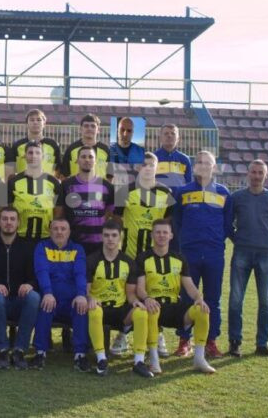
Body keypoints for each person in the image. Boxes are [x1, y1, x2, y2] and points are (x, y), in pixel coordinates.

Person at [110, 152, 172, 357]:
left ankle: (158, 334)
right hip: (130, 253)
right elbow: (116, 220)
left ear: (157, 167)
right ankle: (123, 334)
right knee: (129, 296)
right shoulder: (125, 191)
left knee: (154, 295)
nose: (147, 168)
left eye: (151, 165)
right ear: (138, 168)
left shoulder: (166, 192)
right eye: (143, 165)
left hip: (154, 256)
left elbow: (167, 223)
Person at [135, 219, 216, 374]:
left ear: (171, 235)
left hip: (174, 306)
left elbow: (189, 285)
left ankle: (199, 359)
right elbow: (139, 288)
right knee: (151, 309)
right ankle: (154, 360)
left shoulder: (179, 258)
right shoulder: (143, 258)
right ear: (152, 235)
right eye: (158, 232)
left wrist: (199, 298)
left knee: (202, 310)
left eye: (165, 232)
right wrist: (147, 298)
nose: (161, 235)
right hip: (155, 306)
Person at [173, 150, 233, 358]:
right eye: (199, 162)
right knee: (186, 298)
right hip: (189, 253)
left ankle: (211, 341)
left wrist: (215, 241)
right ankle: (184, 340)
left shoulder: (224, 193)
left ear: (214, 167)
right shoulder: (182, 192)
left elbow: (227, 225)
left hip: (214, 254)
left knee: (213, 299)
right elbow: (177, 222)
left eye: (207, 163)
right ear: (194, 166)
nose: (203, 165)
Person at [227, 159, 268, 358]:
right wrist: (238, 240)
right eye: (253, 172)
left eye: (261, 173)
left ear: (266, 176)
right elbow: (228, 224)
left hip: (266, 255)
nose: (257, 176)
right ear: (248, 174)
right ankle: (235, 342)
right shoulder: (237, 198)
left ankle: (262, 344)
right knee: (236, 299)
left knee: (265, 301)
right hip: (242, 252)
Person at [85, 220, 152, 378]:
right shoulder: (92, 260)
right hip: (99, 308)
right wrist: (90, 298)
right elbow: (86, 291)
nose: (110, 239)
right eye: (107, 235)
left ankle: (138, 361)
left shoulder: (128, 262)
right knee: (94, 310)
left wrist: (135, 301)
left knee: (141, 312)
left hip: (120, 310)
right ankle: (101, 360)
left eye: (114, 235)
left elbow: (130, 293)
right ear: (102, 237)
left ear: (120, 237)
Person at [29, 219, 90, 371]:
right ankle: (40, 353)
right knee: (45, 306)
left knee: (81, 307)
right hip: (51, 298)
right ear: (50, 231)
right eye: (55, 229)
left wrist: (81, 294)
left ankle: (80, 355)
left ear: (69, 232)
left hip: (71, 300)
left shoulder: (77, 249)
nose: (59, 232)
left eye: (63, 229)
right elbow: (42, 271)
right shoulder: (42, 247)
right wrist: (48, 293)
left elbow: (80, 274)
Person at [0, 207, 40, 370]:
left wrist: (30, 284)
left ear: (18, 223)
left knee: (34, 297)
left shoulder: (28, 247)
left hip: (19, 301)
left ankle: (19, 350)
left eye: (12, 219)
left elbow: (37, 276)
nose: (8, 222)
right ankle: (2, 350)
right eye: (5, 219)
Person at [57, 146, 115, 256]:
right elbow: (60, 215)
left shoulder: (107, 186)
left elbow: (111, 214)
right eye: (83, 157)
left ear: (95, 161)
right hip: (72, 244)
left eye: (90, 157)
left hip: (99, 246)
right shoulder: (66, 185)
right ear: (77, 160)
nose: (87, 160)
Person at [7, 141, 62, 241]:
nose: (34, 156)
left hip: (45, 237)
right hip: (19, 237)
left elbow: (58, 212)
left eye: (37, 153)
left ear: (43, 156)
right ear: (25, 156)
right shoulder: (14, 182)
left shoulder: (54, 182)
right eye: (30, 153)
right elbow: (10, 210)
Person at [10, 109, 61, 175]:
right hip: (23, 181)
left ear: (44, 124)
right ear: (27, 124)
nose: (35, 122)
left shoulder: (53, 145)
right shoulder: (17, 145)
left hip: (46, 181)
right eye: (32, 120)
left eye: (39, 120)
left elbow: (58, 169)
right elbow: (11, 170)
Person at [61, 114, 110, 179]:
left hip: (99, 186)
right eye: (86, 126)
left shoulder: (106, 150)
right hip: (76, 185)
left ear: (98, 130)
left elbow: (110, 177)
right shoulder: (71, 149)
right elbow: (64, 175)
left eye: (93, 126)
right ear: (80, 129)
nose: (89, 129)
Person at [154, 123, 192, 193]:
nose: (169, 136)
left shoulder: (185, 159)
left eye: (173, 133)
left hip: (179, 198)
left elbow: (189, 183)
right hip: (158, 198)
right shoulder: (153, 158)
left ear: (178, 139)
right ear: (160, 138)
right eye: (166, 133)